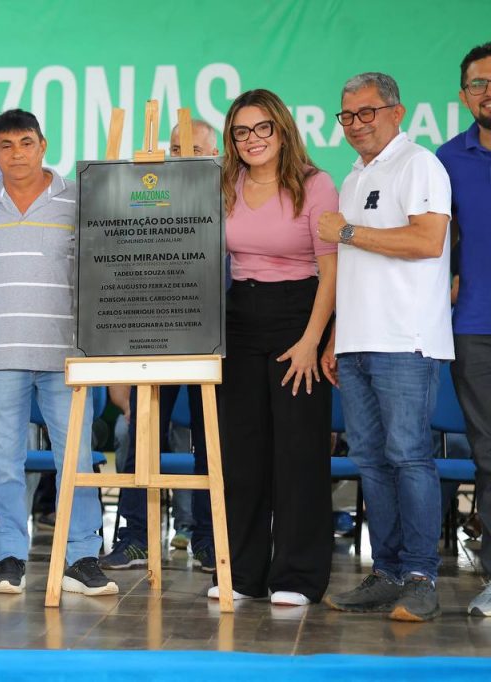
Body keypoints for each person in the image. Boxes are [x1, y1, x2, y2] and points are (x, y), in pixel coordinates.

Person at [320, 72, 452, 622]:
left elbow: (428, 240)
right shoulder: (354, 176)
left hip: (405, 339)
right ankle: (388, 571)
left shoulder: (419, 164)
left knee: (409, 457)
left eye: (366, 112)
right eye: (347, 115)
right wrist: (336, 335)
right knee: (371, 461)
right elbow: (354, 268)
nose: (355, 124)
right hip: (357, 341)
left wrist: (347, 232)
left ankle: (422, 578)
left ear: (397, 113)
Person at [0, 109, 116, 596]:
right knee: (4, 463)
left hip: (65, 355)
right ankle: (9, 556)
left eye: (26, 143)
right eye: (6, 145)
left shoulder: (78, 198)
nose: (17, 154)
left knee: (76, 459)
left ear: (43, 145)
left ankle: (81, 557)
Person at [211, 89, 338, 606]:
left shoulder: (315, 184)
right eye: (241, 131)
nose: (252, 139)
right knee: (241, 453)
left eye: (262, 127)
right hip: (239, 317)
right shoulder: (225, 183)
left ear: (282, 129)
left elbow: (331, 269)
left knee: (297, 453)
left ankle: (297, 576)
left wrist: (311, 340)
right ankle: (242, 574)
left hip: (298, 315)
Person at [101, 121, 218, 573]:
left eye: (194, 148)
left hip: (207, 332)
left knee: (210, 442)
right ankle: (135, 538)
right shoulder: (144, 197)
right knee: (141, 437)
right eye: (174, 146)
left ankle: (208, 541)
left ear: (214, 153)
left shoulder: (226, 194)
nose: (182, 154)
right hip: (154, 329)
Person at [438, 42, 491, 618]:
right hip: (475, 325)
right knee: (489, 454)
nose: (488, 91)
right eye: (479, 83)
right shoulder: (447, 158)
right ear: (463, 94)